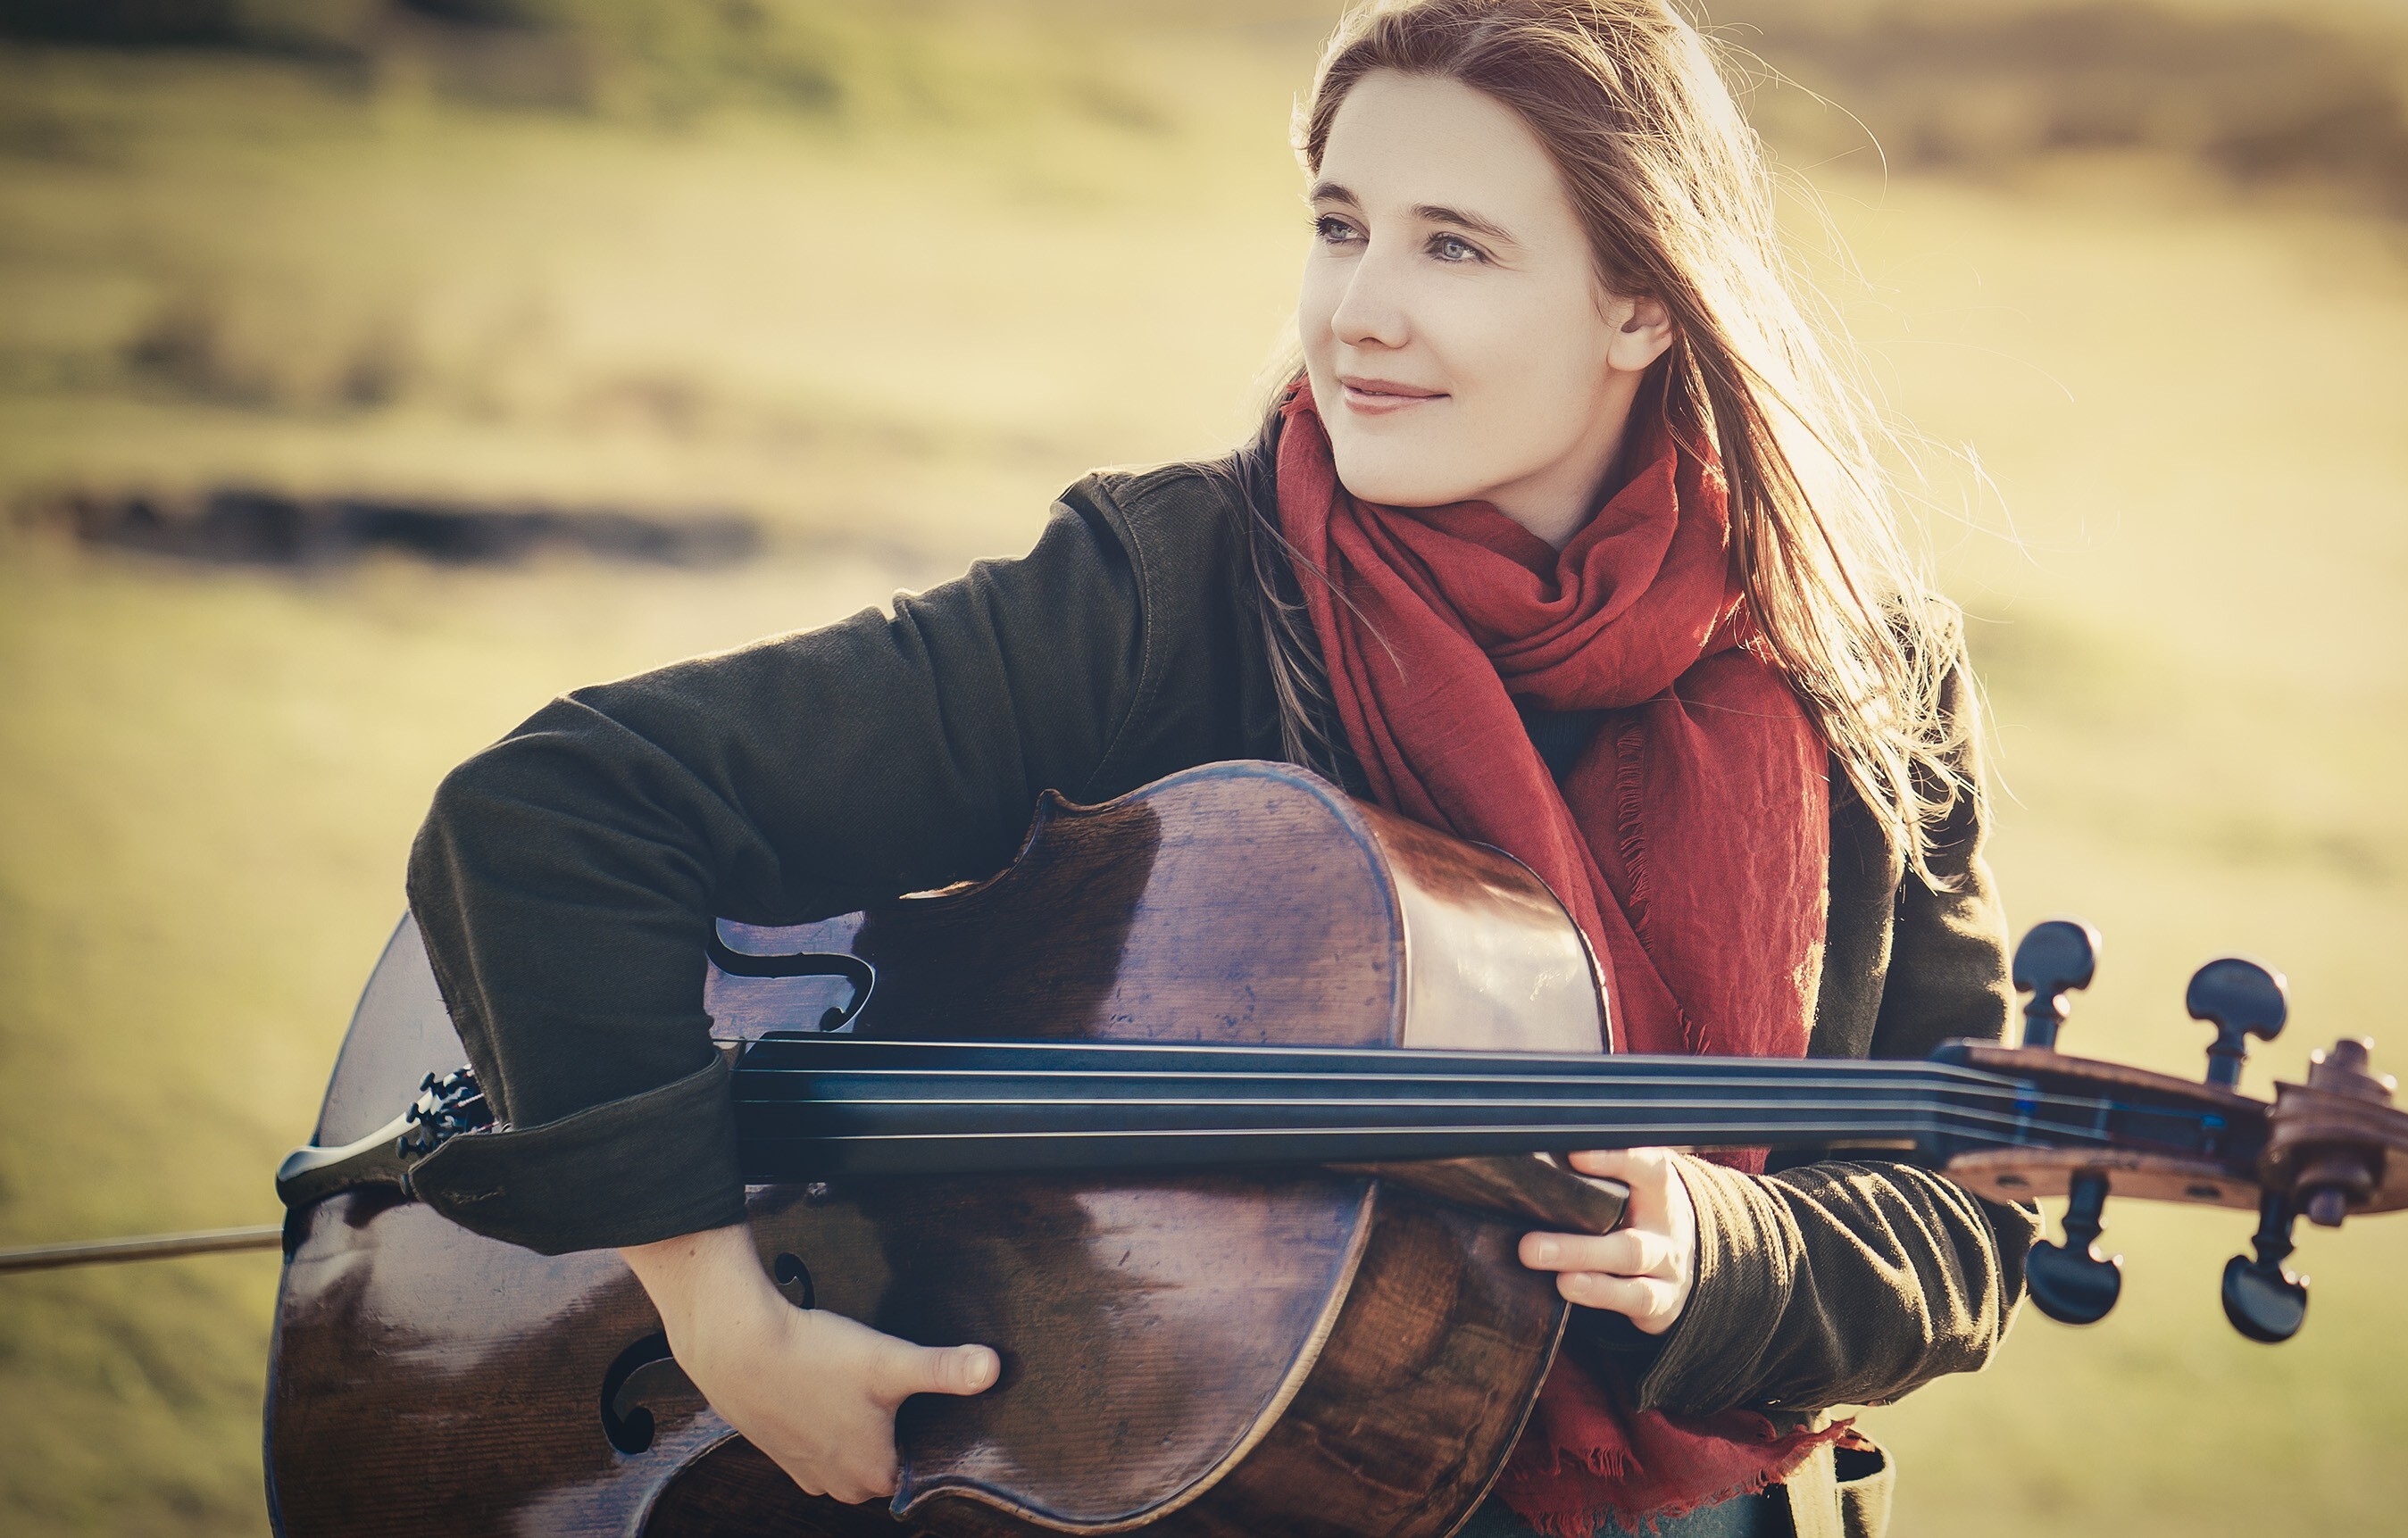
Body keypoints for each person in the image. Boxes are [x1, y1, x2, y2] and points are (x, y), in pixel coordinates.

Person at [401, 3, 2035, 1534]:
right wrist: (723, 1321)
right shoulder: (1166, 593)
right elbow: (558, 817)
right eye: (1340, 226)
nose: (1357, 309)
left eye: (1452, 246)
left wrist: (1723, 1250)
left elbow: (1964, 1214)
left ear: (1642, 300)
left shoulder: (1860, 673)